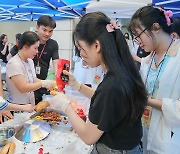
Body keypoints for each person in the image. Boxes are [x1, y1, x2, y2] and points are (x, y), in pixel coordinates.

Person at [51, 12, 147, 153]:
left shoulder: (112, 85)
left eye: (81, 48)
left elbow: (88, 137)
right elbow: (107, 101)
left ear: (96, 45)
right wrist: (78, 86)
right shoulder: (123, 72)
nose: (81, 55)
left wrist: (66, 106)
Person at [128, 6, 180, 154]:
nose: (137, 41)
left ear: (156, 27)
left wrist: (147, 100)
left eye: (138, 35)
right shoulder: (147, 61)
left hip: (170, 143)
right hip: (144, 135)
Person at [6, 31, 54, 109]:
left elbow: (33, 79)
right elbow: (23, 88)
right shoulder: (14, 63)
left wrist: (48, 84)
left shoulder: (30, 61)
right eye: (35, 48)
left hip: (29, 106)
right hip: (17, 108)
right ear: (25, 47)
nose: (37, 51)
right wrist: (43, 83)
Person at [33, 15, 59, 104]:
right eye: (44, 30)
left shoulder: (53, 44)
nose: (47, 34)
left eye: (50, 31)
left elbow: (56, 64)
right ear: (37, 27)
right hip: (28, 83)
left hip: (44, 83)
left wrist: (58, 80)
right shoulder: (29, 40)